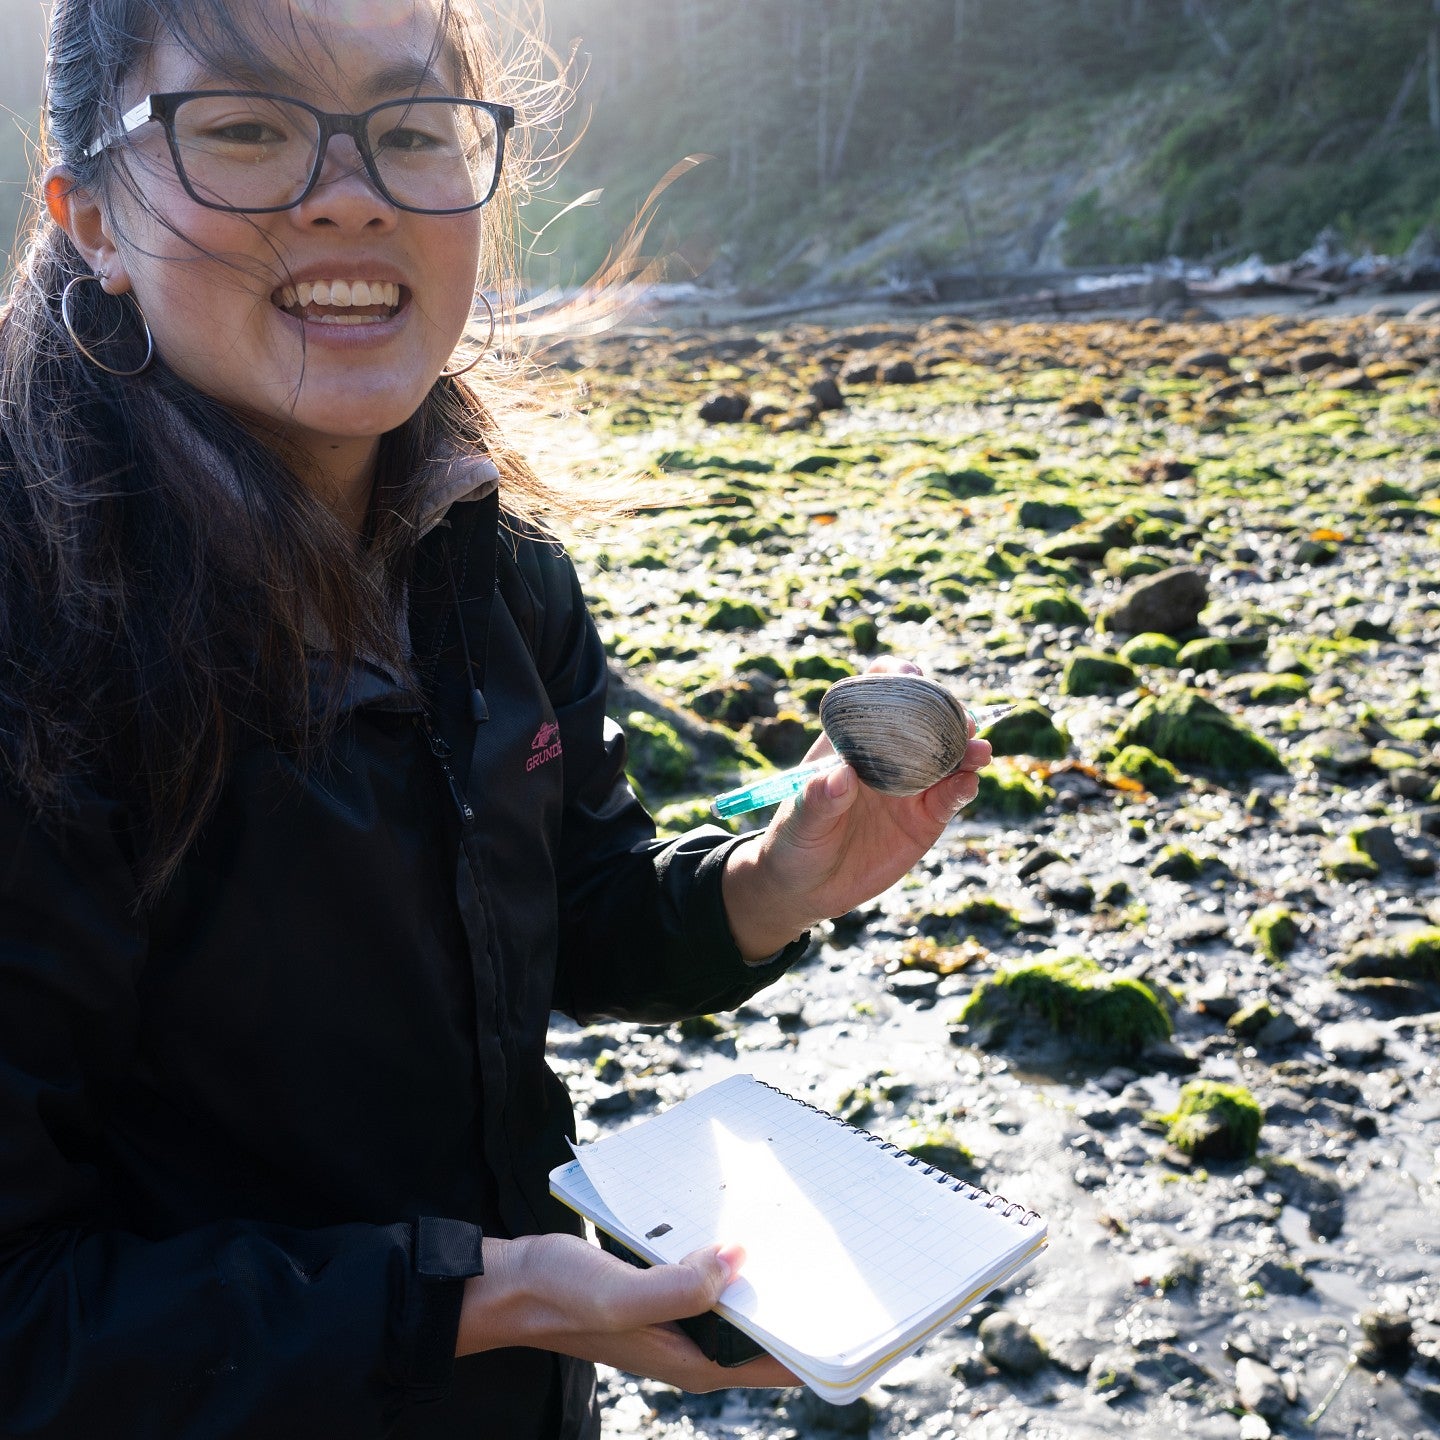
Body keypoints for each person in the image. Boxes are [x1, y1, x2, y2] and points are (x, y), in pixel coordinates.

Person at [0, 1, 992, 1436]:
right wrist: (475, 1302)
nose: (349, 192)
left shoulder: (492, 568)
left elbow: (564, 910)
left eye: (409, 134)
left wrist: (769, 888)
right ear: (90, 215)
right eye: (245, 131)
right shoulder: (36, 641)